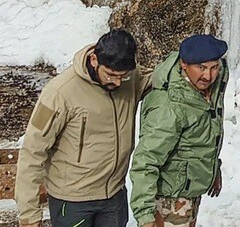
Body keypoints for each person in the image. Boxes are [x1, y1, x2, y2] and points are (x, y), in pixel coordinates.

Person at [16, 29, 150, 227]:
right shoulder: (59, 93)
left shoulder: (130, 78)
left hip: (114, 197)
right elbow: (32, 152)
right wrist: (29, 216)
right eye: (111, 75)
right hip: (71, 201)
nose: (117, 82)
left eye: (123, 76)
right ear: (94, 59)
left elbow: (160, 77)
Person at [129, 34, 229, 227]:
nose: (208, 76)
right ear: (184, 65)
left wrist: (212, 168)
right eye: (201, 68)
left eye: (213, 67)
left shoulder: (211, 84)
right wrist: (145, 217)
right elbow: (145, 161)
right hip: (169, 201)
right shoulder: (169, 107)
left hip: (189, 192)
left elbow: (204, 133)